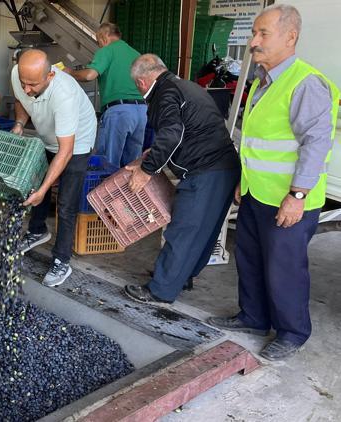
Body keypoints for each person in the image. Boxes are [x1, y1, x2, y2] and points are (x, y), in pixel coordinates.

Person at [207, 5, 339, 361]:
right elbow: (256, 141)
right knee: (249, 259)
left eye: (263, 34)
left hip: (289, 200)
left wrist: (297, 195)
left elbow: (316, 144)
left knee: (284, 268)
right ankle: (253, 316)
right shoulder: (264, 81)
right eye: (254, 33)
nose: (254, 41)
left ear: (290, 37)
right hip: (256, 194)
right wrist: (242, 182)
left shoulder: (305, 83)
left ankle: (293, 331)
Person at [122, 54, 240, 305]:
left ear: (142, 82)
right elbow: (187, 131)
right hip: (223, 168)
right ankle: (180, 276)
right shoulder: (184, 85)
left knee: (183, 230)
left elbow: (171, 135)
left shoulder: (165, 94)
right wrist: (150, 155)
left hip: (206, 170)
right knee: (203, 231)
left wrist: (147, 170)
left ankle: (160, 291)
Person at [12, 49, 96, 287]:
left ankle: (61, 260)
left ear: (50, 76)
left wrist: (45, 188)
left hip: (76, 142)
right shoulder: (19, 75)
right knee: (36, 182)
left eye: (33, 84)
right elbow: (20, 98)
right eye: (23, 82)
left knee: (66, 203)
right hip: (48, 135)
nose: (27, 88)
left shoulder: (64, 94)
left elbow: (66, 150)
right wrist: (19, 123)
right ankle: (37, 231)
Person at [66, 22, 146, 168]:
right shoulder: (136, 54)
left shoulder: (107, 51)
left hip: (119, 112)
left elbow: (90, 75)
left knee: (108, 163)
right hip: (142, 111)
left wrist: (70, 72)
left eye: (98, 41)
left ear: (103, 37)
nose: (99, 45)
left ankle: (106, 190)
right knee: (133, 165)